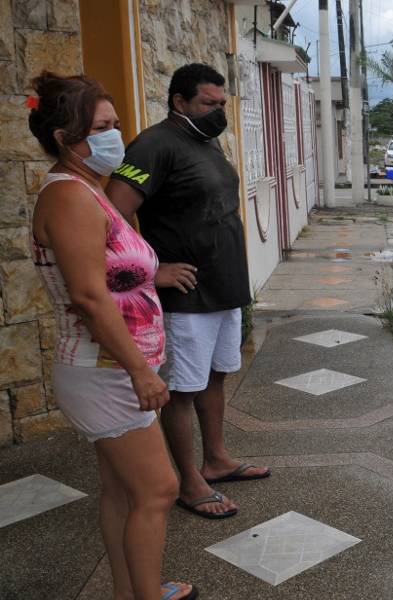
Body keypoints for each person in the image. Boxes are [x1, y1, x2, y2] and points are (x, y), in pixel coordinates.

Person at [27, 72, 196, 600]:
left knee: (123, 492)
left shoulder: (86, 190)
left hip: (112, 368)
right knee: (159, 489)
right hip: (107, 370)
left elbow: (112, 272)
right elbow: (90, 297)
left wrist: (154, 273)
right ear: (63, 136)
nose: (115, 136)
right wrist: (141, 370)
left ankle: (132, 591)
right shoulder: (68, 197)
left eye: (116, 124)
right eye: (102, 127)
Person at [106, 63, 269, 520]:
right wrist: (151, 271)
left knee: (214, 377)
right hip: (187, 296)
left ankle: (215, 459)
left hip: (222, 288)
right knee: (181, 388)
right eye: (208, 104)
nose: (219, 112)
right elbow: (112, 218)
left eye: (222, 104)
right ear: (179, 102)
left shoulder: (204, 139)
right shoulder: (153, 146)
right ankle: (188, 481)